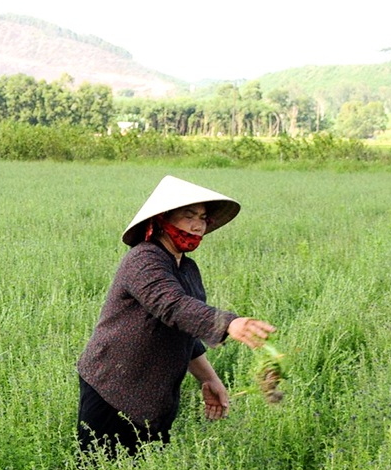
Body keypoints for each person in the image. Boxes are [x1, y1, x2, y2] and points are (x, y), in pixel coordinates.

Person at [76, 176, 275, 453]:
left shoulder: (187, 269)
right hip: (113, 386)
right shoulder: (143, 259)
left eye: (203, 218)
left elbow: (183, 327)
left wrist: (210, 379)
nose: (197, 225)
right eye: (188, 216)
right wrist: (228, 322)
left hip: (155, 395)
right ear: (162, 218)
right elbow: (172, 305)